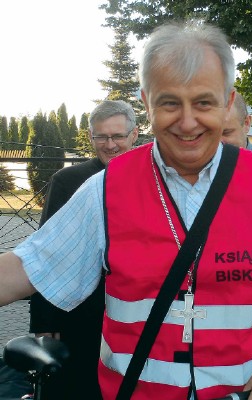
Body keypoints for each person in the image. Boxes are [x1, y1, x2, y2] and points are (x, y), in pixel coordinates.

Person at [0, 20, 252, 400]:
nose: (187, 122)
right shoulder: (106, 189)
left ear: (227, 101)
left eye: (203, 102)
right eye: (170, 103)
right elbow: (29, 267)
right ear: (146, 103)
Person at [27, 100, 138, 400]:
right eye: (101, 137)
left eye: (118, 136)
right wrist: (43, 320)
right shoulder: (67, 181)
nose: (110, 145)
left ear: (134, 135)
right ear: (91, 138)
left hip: (136, 310)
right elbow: (46, 253)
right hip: (80, 312)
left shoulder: (153, 181)